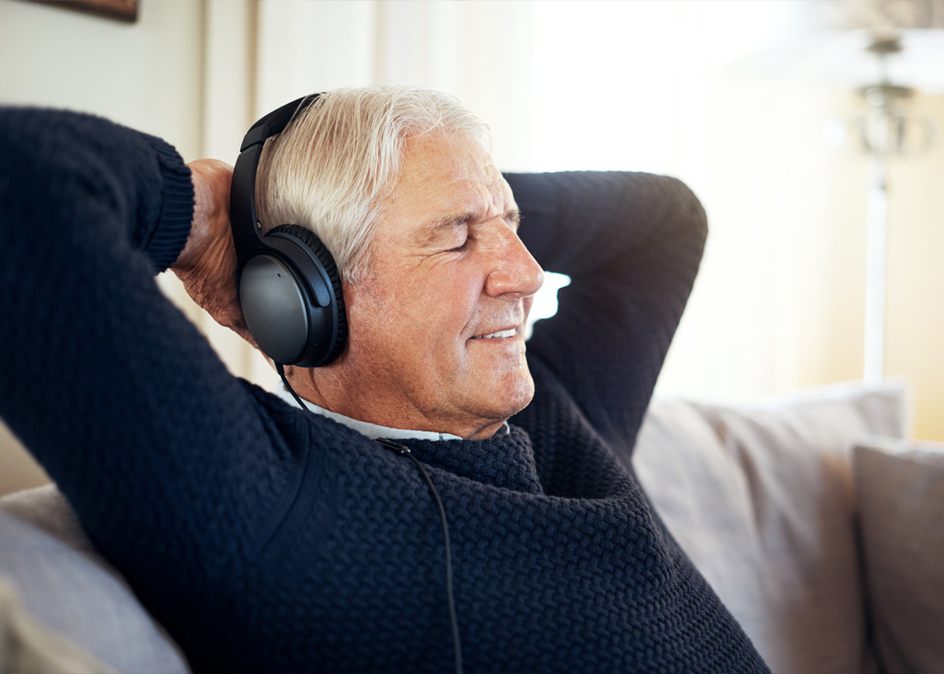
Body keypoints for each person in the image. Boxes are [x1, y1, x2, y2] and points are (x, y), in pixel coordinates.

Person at [0, 86, 769, 673]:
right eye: (459, 238)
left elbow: (667, 221)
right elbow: (19, 188)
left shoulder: (557, 407)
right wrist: (208, 211)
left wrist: (456, 189)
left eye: (515, 228)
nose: (529, 275)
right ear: (304, 297)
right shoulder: (272, 503)